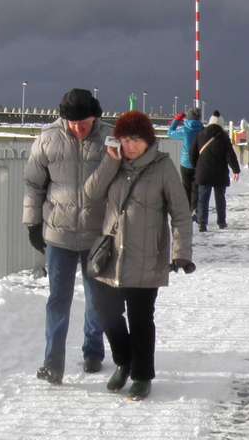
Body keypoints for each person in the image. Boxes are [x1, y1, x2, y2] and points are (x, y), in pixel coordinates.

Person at [83, 111, 193, 401]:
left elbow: (181, 214)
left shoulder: (163, 167)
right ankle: (124, 361)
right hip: (112, 256)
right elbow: (91, 193)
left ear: (147, 141)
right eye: (124, 140)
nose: (129, 146)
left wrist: (181, 253)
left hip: (147, 255)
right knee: (106, 313)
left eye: (135, 140)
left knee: (141, 319)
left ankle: (142, 376)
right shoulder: (114, 163)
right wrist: (110, 160)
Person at [22, 88, 110, 384]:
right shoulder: (47, 140)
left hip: (96, 236)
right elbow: (34, 186)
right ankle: (53, 362)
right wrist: (32, 224)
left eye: (82, 122)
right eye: (71, 123)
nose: (77, 128)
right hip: (58, 235)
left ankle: (93, 350)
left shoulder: (110, 140)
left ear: (95, 116)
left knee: (97, 299)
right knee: (58, 300)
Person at [192, 111, 240, 231]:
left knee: (203, 199)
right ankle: (221, 222)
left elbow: (192, 153)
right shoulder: (223, 136)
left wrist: (196, 166)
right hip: (220, 173)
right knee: (220, 199)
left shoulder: (201, 134)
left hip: (204, 172)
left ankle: (202, 224)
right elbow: (230, 155)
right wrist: (236, 170)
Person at [175, 107, 204, 208]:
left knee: (186, 187)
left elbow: (169, 133)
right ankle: (195, 209)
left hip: (185, 163)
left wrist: (176, 120)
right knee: (196, 188)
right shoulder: (202, 130)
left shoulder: (184, 130)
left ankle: (187, 210)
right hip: (198, 163)